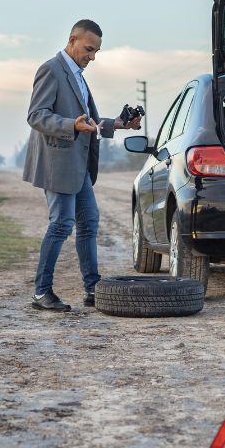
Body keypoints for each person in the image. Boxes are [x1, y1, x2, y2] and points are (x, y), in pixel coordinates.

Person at [22, 19, 142, 311]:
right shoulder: (51, 69)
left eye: (97, 51)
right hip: (58, 163)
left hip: (79, 166)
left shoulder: (78, 74)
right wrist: (70, 125)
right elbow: (36, 116)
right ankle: (41, 293)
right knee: (62, 224)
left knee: (88, 223)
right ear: (72, 39)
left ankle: (92, 289)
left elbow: (89, 121)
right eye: (89, 49)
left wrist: (120, 124)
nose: (93, 56)